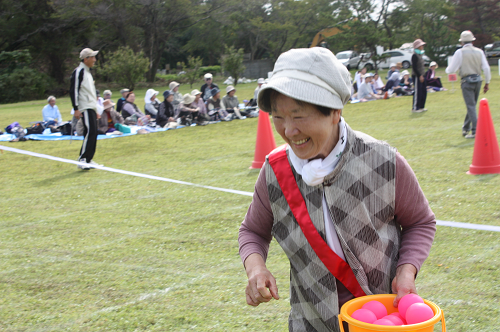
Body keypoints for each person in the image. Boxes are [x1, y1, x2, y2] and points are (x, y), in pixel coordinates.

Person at [238, 47, 436, 332]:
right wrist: (256, 269)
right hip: (311, 322)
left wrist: (407, 271)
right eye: (278, 117)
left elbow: (420, 221)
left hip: (381, 320)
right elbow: (252, 231)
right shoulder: (275, 171)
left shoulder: (384, 161)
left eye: (299, 115)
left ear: (334, 112)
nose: (288, 130)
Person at [446, 30, 491, 139]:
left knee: (470, 106)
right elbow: (486, 68)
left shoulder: (460, 52)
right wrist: (487, 82)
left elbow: (452, 69)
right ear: (472, 41)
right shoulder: (479, 51)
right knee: (472, 105)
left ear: (462, 42)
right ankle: (465, 127)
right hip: (478, 80)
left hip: (467, 81)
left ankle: (475, 131)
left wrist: (448, 70)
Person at [69, 47, 103, 170]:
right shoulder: (79, 72)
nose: (94, 59)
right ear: (86, 58)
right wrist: (76, 108)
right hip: (84, 107)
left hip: (91, 107)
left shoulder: (88, 72)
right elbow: (74, 90)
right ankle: (82, 159)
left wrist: (96, 109)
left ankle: (89, 159)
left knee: (94, 132)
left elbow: (91, 92)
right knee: (90, 131)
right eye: (92, 57)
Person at [411, 39, 427, 113]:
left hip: (422, 75)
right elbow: (414, 67)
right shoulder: (414, 55)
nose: (422, 47)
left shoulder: (420, 55)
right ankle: (415, 108)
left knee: (423, 91)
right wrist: (419, 75)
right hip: (417, 76)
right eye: (421, 45)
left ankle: (421, 106)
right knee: (418, 92)